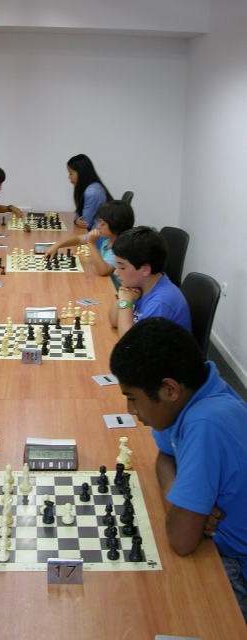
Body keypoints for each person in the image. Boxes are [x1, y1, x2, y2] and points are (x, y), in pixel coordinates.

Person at [110, 317, 247, 622]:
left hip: (233, 563)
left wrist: (186, 513)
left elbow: (181, 540)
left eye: (132, 399)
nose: (131, 411)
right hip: (212, 542)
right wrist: (179, 498)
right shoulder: (194, 394)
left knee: (142, 606)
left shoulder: (205, 422)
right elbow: (165, 457)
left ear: (169, 389)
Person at [108, 226, 191, 338]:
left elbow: (129, 342)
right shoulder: (140, 285)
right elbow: (113, 321)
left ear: (145, 269)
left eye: (122, 267)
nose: (115, 272)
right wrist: (123, 299)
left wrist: (125, 302)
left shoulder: (161, 303)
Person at [44, 200, 134, 289]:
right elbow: (78, 239)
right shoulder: (105, 238)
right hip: (103, 284)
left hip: (114, 290)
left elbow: (103, 270)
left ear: (115, 225)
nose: (98, 226)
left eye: (102, 224)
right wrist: (57, 245)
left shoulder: (120, 249)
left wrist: (91, 244)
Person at [67, 154, 113, 231]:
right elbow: (80, 214)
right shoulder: (92, 187)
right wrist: (76, 220)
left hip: (99, 235)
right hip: (96, 232)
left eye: (71, 173)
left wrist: (76, 220)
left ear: (81, 173)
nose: (69, 177)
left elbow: (85, 223)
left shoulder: (92, 191)